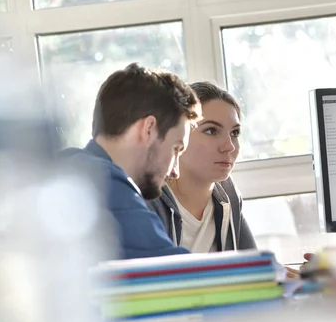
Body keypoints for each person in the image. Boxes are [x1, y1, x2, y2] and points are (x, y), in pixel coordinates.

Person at [60, 63, 201, 259]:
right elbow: (175, 273)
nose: (175, 171)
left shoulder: (72, 166)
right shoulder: (106, 182)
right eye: (176, 149)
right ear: (149, 128)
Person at [147, 81, 256, 253]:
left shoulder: (228, 196)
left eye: (234, 133)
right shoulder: (146, 203)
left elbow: (254, 269)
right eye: (211, 131)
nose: (229, 146)